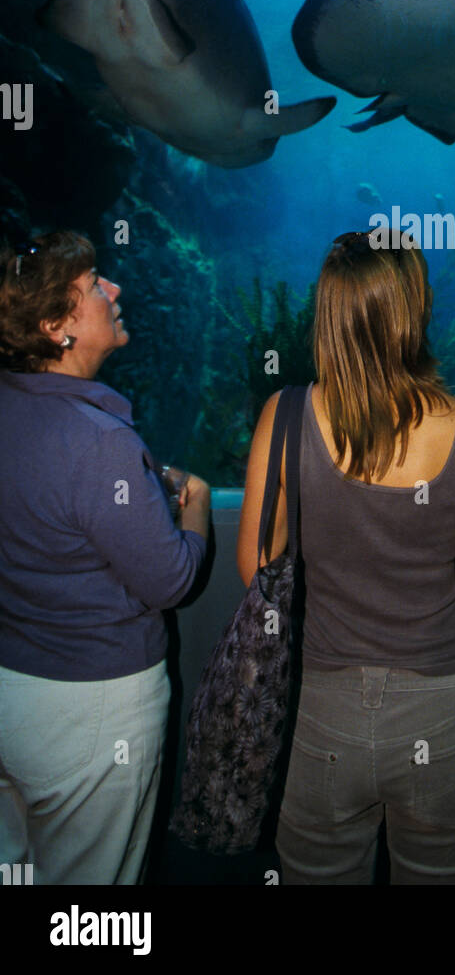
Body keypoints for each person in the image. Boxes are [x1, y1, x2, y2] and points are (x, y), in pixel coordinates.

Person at [236, 229, 455, 885]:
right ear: (413, 310)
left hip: (318, 709)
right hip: (443, 709)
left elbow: (255, 566)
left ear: (327, 314)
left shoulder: (283, 415)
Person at [0, 231, 210, 884]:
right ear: (58, 327)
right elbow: (170, 579)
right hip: (90, 715)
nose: (113, 290)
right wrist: (194, 500)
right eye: (93, 287)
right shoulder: (97, 442)